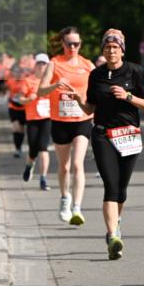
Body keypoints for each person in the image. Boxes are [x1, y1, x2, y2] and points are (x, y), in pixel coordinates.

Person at [70, 29, 144, 259]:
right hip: (103, 134)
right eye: (107, 47)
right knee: (111, 186)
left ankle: (116, 222)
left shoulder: (135, 71)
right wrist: (79, 100)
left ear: (122, 50)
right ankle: (113, 235)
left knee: (122, 189)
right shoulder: (96, 75)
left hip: (128, 135)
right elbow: (90, 109)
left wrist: (128, 96)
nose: (111, 51)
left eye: (115, 47)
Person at [37, 27, 94, 224]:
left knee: (78, 164)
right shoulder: (54, 63)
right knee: (64, 165)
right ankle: (64, 198)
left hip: (82, 120)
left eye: (76, 44)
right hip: (60, 121)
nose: (72, 47)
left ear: (80, 44)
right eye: (69, 43)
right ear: (62, 43)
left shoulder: (87, 65)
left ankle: (77, 207)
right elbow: (40, 91)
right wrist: (55, 85)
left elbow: (97, 89)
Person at [20, 53, 52, 190]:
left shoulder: (52, 80)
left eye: (44, 63)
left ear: (48, 66)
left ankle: (43, 178)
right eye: (39, 63)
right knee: (33, 148)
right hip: (32, 118)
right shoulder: (28, 81)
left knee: (43, 148)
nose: (41, 66)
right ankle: (29, 165)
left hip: (47, 118)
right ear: (35, 66)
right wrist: (29, 99)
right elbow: (21, 99)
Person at [5, 62, 27, 157]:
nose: (17, 74)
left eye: (19, 72)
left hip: (23, 108)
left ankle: (19, 147)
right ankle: (17, 149)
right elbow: (8, 91)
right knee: (15, 127)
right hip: (13, 107)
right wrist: (8, 97)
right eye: (15, 72)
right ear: (13, 73)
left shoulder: (26, 82)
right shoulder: (10, 81)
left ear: (22, 73)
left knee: (21, 129)